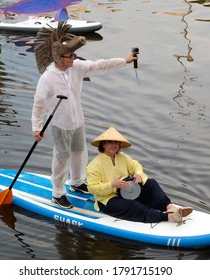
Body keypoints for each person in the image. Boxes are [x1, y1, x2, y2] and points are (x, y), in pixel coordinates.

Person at [32, 22, 137, 209]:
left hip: (77, 121)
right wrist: (37, 128)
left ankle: (77, 182)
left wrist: (125, 61)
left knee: (80, 153)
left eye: (73, 55)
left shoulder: (77, 67)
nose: (74, 58)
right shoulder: (47, 78)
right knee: (62, 157)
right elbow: (38, 104)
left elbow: (100, 65)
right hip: (59, 125)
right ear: (59, 58)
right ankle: (57, 193)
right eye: (70, 55)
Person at [86, 127, 193, 223]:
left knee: (151, 183)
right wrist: (112, 184)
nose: (114, 145)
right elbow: (92, 188)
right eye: (110, 142)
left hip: (128, 191)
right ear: (103, 144)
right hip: (108, 200)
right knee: (134, 206)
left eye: (116, 142)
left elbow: (135, 165)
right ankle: (169, 217)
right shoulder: (94, 166)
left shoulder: (122, 157)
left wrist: (138, 174)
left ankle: (170, 207)